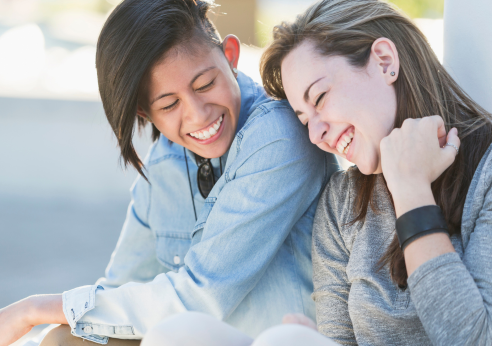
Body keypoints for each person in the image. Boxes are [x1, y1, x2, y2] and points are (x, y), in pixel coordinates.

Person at [0, 1, 336, 346]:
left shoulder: (278, 136)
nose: (198, 114)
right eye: (169, 104)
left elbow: (198, 298)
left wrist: (31, 308)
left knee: (172, 333)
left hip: (278, 339)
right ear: (145, 113)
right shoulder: (164, 162)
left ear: (231, 57)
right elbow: (121, 288)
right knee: (65, 340)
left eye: (205, 84)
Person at [139, 0, 492, 345]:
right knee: (176, 335)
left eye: (320, 97)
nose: (315, 133)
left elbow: (474, 337)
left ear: (384, 61)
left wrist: (411, 189)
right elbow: (337, 338)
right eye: (303, 118)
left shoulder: (486, 174)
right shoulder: (342, 203)